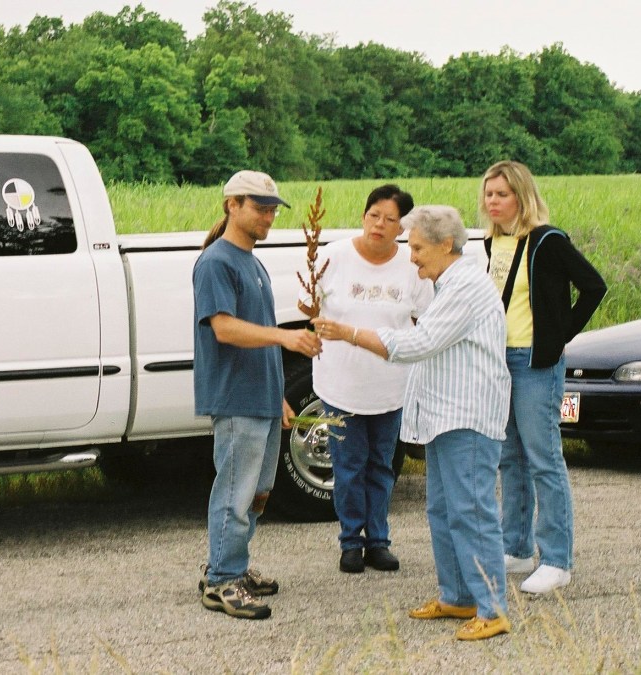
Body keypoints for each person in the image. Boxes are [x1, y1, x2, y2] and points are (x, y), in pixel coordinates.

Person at [313, 206, 512, 641]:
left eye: (418, 247)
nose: (411, 256)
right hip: (445, 417)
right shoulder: (447, 283)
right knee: (443, 510)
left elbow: (419, 343)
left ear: (445, 244)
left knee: (472, 512)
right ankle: (458, 596)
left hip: (468, 418)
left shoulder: (465, 286)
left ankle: (493, 608)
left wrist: (349, 333)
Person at [193, 170, 323, 620]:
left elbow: (257, 341)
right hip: (235, 398)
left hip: (261, 397)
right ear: (232, 205)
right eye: (260, 207)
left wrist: (278, 396)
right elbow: (225, 329)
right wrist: (286, 339)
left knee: (258, 493)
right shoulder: (217, 263)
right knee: (235, 490)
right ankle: (221, 582)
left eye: (272, 208)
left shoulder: (252, 260)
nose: (269, 216)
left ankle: (234, 566)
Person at [480, 160, 607, 595]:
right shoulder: (490, 243)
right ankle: (515, 549)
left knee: (543, 459)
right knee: (508, 457)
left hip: (535, 363)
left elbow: (594, 286)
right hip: (498, 363)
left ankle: (557, 558)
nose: (492, 201)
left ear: (521, 196)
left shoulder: (547, 241)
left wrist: (558, 335)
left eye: (502, 194)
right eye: (488, 194)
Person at [299, 185, 433, 574]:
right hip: (341, 383)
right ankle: (350, 542)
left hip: (390, 385)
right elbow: (311, 305)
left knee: (381, 465)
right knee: (348, 465)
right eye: (374, 215)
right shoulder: (333, 257)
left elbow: (426, 318)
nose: (380, 224)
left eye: (390, 220)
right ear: (363, 216)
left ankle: (379, 541)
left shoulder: (412, 267)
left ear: (403, 228)